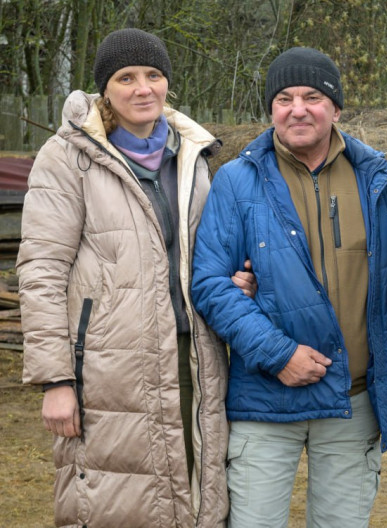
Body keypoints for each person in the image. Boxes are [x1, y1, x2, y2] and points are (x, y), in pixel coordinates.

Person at [17, 28, 256, 528]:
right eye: (126, 78)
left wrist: (232, 284)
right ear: (105, 89)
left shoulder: (195, 157)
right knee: (114, 501)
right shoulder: (68, 158)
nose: (142, 88)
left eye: (153, 75)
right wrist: (55, 380)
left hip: (195, 358)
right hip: (106, 369)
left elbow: (204, 254)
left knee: (194, 495)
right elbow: (41, 271)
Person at [190, 46, 387, 528]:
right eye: (284, 98)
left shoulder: (386, 182)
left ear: (336, 108)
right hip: (265, 403)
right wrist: (279, 355)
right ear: (271, 110)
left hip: (354, 403)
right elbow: (212, 285)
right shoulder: (235, 181)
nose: (297, 109)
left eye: (312, 96)